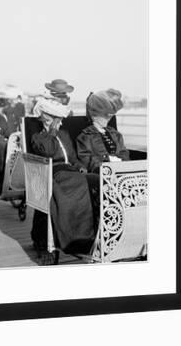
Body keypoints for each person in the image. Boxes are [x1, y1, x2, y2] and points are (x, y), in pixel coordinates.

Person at [30, 97, 96, 265]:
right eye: (57, 121)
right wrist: (51, 130)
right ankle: (71, 239)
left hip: (71, 172)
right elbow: (49, 151)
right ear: (47, 119)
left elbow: (73, 158)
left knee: (92, 182)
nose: (60, 125)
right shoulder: (39, 138)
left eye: (60, 121)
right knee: (79, 185)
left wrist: (80, 166)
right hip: (54, 173)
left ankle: (86, 237)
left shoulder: (64, 135)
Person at [77, 89, 130, 173]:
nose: (108, 119)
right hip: (102, 172)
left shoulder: (116, 134)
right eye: (105, 116)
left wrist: (122, 163)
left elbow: (124, 152)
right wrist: (106, 164)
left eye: (110, 117)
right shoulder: (85, 136)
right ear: (94, 116)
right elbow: (86, 159)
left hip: (121, 170)